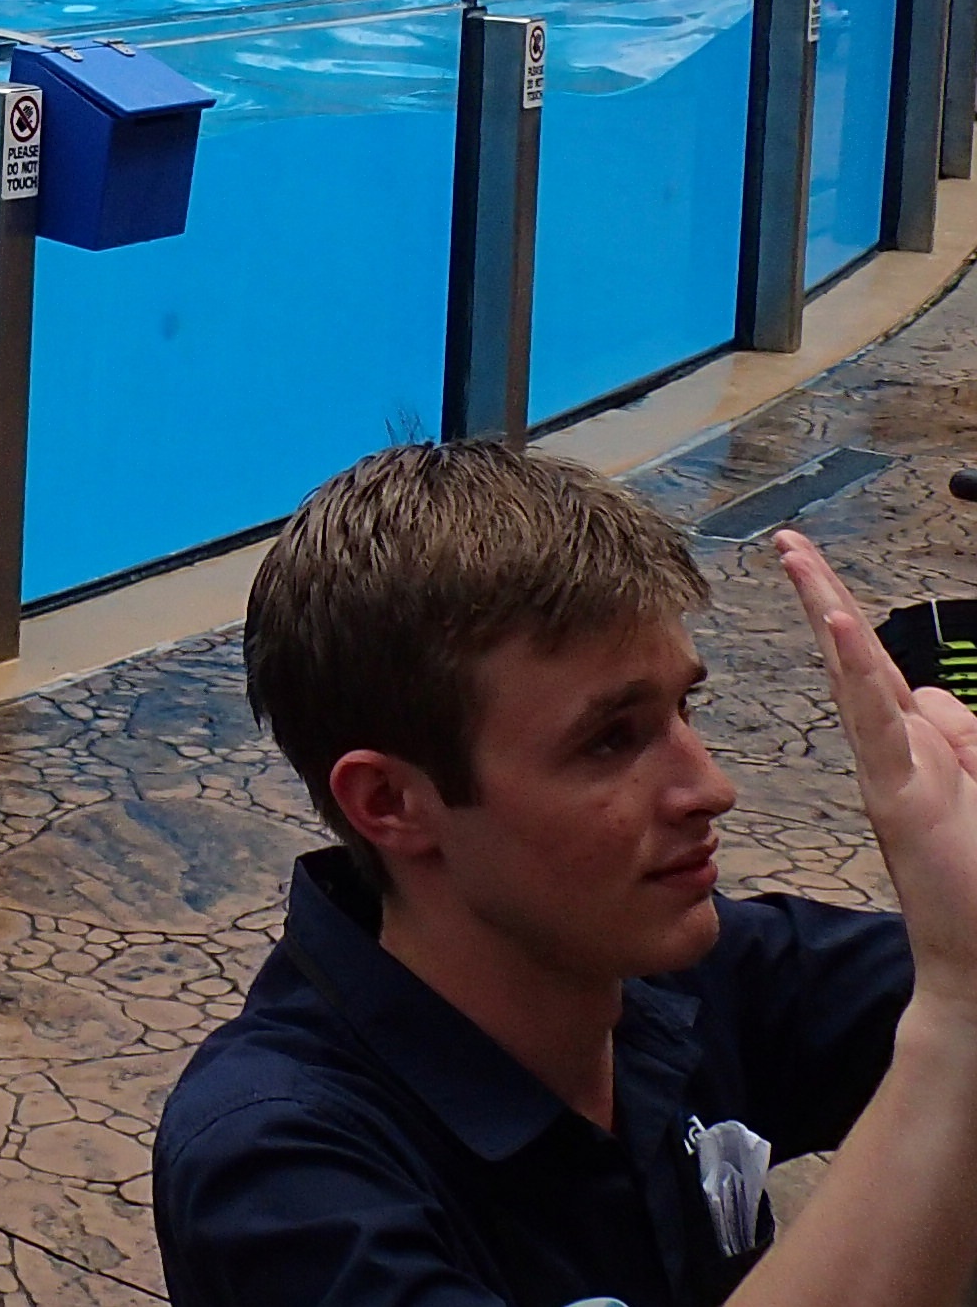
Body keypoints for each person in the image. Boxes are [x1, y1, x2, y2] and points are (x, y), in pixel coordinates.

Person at [150, 438, 977, 1307]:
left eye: (684, 708)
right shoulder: (276, 1176)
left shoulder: (674, 976)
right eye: (610, 740)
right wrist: (955, 1023)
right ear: (391, 802)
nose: (710, 788)